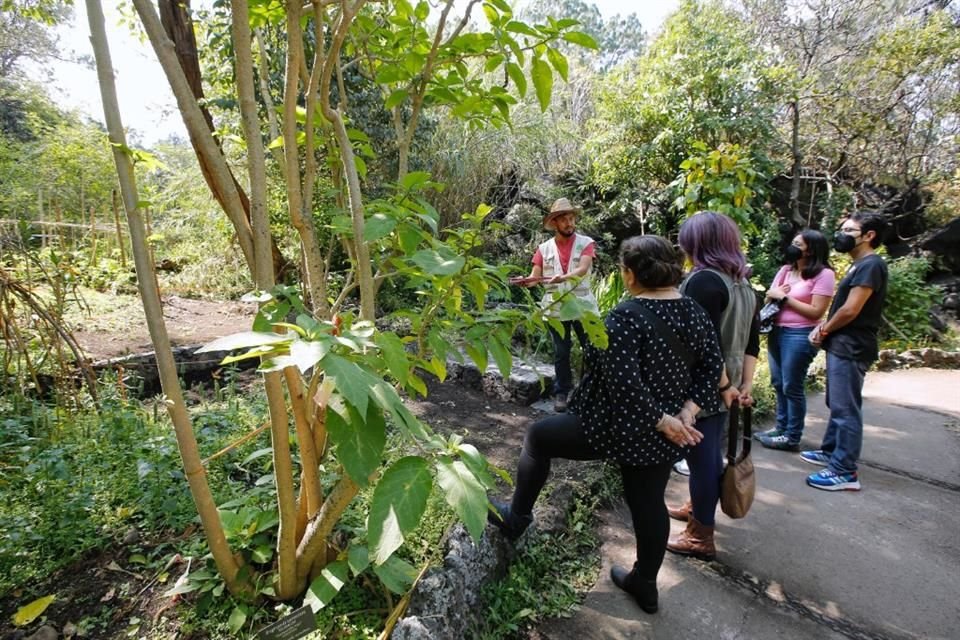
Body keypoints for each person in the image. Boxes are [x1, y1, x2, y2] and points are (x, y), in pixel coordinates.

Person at [488, 235, 723, 614]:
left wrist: (666, 419)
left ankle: (517, 517)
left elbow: (623, 384)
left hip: (610, 427)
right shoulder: (695, 311)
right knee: (649, 504)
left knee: (538, 436)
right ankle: (645, 585)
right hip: (662, 436)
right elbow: (712, 368)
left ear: (629, 275)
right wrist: (686, 414)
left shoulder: (624, 317)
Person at [667, 211, 759, 561]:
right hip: (731, 380)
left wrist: (721, 387)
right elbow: (752, 341)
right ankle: (697, 506)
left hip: (706, 384)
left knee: (703, 458)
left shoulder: (704, 281)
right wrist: (744, 384)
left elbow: (704, 344)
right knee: (706, 451)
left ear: (698, 243)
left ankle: (700, 534)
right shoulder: (744, 283)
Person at [802, 212, 888, 491]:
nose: (842, 234)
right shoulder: (859, 265)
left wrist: (825, 328)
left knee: (845, 409)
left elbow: (851, 309)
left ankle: (844, 470)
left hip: (852, 346)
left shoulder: (870, 265)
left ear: (869, 235)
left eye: (849, 230)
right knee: (836, 403)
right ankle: (830, 451)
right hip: (843, 344)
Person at [756, 230, 835, 451]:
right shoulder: (785, 270)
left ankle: (792, 436)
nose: (793, 246)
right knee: (778, 382)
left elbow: (816, 311)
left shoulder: (824, 275)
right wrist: (776, 294)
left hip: (800, 335)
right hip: (777, 331)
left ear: (811, 249)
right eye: (793, 242)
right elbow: (769, 296)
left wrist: (786, 298)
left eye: (798, 244)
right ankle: (780, 428)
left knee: (792, 385)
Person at [523, 198, 598, 412]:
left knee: (592, 348)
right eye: (564, 220)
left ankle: (591, 390)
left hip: (583, 305)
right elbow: (535, 278)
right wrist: (525, 281)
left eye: (571, 219)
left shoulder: (586, 243)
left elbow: (582, 269)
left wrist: (562, 277)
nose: (569, 223)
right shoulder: (543, 249)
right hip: (555, 306)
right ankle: (562, 392)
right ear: (554, 223)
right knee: (561, 352)